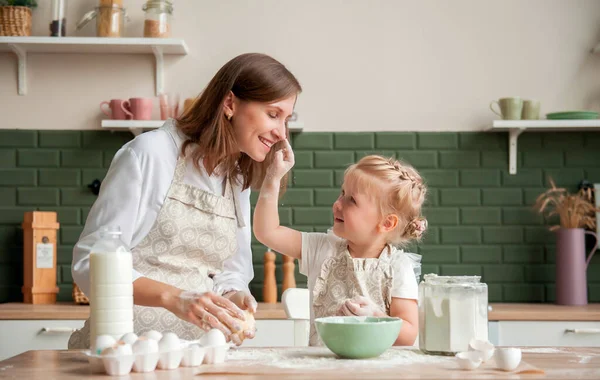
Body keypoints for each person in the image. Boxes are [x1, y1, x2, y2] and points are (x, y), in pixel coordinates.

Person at [68, 53, 302, 348]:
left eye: (286, 119)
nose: (281, 133)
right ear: (230, 104)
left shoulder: (236, 178)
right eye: (273, 114)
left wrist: (233, 296)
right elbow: (90, 263)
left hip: (200, 354)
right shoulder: (149, 153)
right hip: (127, 351)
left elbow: (231, 270)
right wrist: (173, 298)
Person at [254, 150, 427, 346]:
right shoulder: (320, 248)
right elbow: (267, 232)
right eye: (342, 193)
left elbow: (409, 334)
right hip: (323, 370)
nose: (337, 204)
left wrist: (377, 318)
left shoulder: (397, 267)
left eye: (352, 200)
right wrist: (272, 178)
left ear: (387, 223)